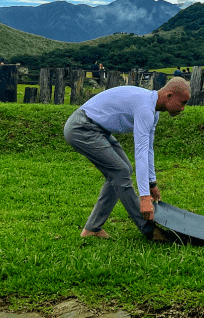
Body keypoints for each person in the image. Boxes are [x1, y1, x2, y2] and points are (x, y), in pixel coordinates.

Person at [63, 77, 191, 242]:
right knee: (120, 171)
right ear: (169, 95)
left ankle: (92, 228)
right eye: (182, 102)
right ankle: (149, 230)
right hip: (81, 127)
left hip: (99, 129)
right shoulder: (145, 107)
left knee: (123, 171)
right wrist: (144, 198)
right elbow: (140, 152)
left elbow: (149, 149)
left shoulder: (153, 111)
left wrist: (152, 183)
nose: (182, 108)